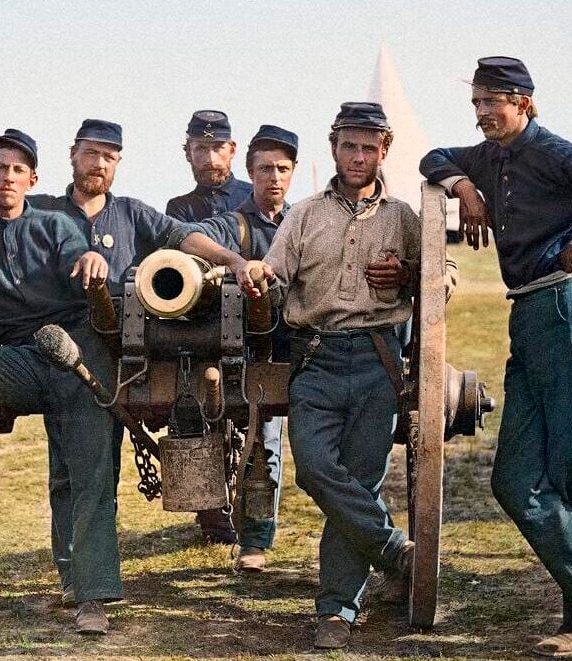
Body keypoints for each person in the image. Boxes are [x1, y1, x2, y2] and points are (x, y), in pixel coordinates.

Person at [420, 57, 572, 660]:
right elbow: (431, 157)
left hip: (566, 306)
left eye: (492, 102)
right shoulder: (486, 158)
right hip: (530, 313)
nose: (481, 114)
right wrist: (465, 187)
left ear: (524, 101)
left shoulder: (552, 151)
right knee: (515, 478)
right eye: (475, 103)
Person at [232, 102, 418, 648]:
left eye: (369, 148)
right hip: (315, 359)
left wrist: (408, 273)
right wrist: (260, 277)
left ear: (384, 151)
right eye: (349, 146)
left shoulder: (404, 217)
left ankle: (336, 610)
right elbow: (276, 271)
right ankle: (394, 551)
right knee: (314, 469)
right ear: (333, 148)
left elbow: (441, 277)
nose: (359, 157)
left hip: (379, 359)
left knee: (360, 482)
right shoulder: (306, 214)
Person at [0, 128, 122, 636]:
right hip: (17, 359)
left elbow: (78, 257)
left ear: (33, 179)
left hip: (77, 354)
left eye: (18, 169)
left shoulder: (57, 224)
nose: (8, 176)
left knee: (88, 475)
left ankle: (92, 598)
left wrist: (91, 259)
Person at [27, 119, 193, 602]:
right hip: (51, 344)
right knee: (64, 470)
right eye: (91, 153)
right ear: (72, 154)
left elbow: (181, 238)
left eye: (109, 156)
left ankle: (90, 584)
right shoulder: (41, 211)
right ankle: (71, 575)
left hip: (115, 352)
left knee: (93, 468)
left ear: (117, 164)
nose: (99, 164)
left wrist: (236, 260)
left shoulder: (132, 215)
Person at [169, 124, 299, 572]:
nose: (274, 178)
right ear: (250, 173)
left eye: (282, 169)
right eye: (265, 170)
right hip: (241, 347)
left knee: (272, 444)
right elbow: (186, 237)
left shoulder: (305, 219)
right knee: (260, 437)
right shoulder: (233, 224)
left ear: (293, 172)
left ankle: (258, 537)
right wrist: (238, 262)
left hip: (298, 344)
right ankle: (253, 544)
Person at [165, 109, 252, 543]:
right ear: (188, 153)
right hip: (199, 327)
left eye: (218, 147)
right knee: (194, 414)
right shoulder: (178, 209)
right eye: (201, 148)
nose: (210, 157)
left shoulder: (254, 199)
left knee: (262, 434)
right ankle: (212, 517)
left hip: (252, 326)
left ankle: (255, 525)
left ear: (232, 150)